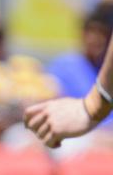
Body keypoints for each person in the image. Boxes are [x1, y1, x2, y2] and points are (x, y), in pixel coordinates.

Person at [28, 8, 113, 148]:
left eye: (101, 33)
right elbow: (46, 98)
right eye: (91, 32)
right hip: (74, 141)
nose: (95, 38)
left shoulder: (109, 71)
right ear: (83, 33)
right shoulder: (65, 65)